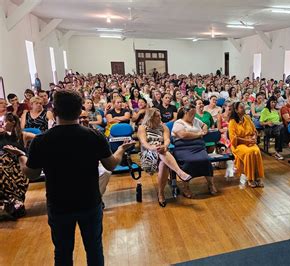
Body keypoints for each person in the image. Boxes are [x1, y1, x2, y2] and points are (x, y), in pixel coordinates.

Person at [3, 90, 135, 265]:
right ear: (80, 111)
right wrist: (120, 150)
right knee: (94, 249)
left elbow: (32, 174)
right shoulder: (94, 136)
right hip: (89, 201)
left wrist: (21, 156)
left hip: (59, 204)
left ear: (54, 112)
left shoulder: (42, 140)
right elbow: (111, 165)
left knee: (63, 252)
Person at [137, 109, 191, 207]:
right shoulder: (142, 127)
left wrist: (165, 146)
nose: (160, 117)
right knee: (162, 152)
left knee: (163, 162)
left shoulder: (164, 127)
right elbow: (144, 143)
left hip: (162, 153)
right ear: (151, 117)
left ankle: (161, 193)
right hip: (148, 154)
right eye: (157, 116)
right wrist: (154, 148)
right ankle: (179, 172)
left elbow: (167, 140)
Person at [171, 104, 216, 197]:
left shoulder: (195, 120)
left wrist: (204, 130)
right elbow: (183, 135)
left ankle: (211, 184)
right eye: (191, 114)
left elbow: (204, 125)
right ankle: (186, 188)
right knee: (189, 162)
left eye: (194, 114)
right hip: (183, 148)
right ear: (185, 113)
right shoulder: (178, 123)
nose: (193, 116)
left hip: (198, 147)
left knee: (206, 160)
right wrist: (199, 134)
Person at [0, 113, 35, 218]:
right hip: (3, 164)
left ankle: (13, 202)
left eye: (4, 121)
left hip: (18, 165)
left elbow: (42, 139)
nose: (2, 124)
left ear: (13, 122)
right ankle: (14, 202)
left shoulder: (23, 135)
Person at [229, 102, 265, 188]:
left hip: (250, 142)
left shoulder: (247, 118)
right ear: (236, 110)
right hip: (239, 144)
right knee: (249, 152)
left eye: (244, 107)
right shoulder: (232, 122)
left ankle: (257, 177)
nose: (244, 108)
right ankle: (250, 178)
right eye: (241, 108)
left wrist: (254, 137)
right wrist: (247, 140)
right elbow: (234, 139)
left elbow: (254, 131)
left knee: (256, 151)